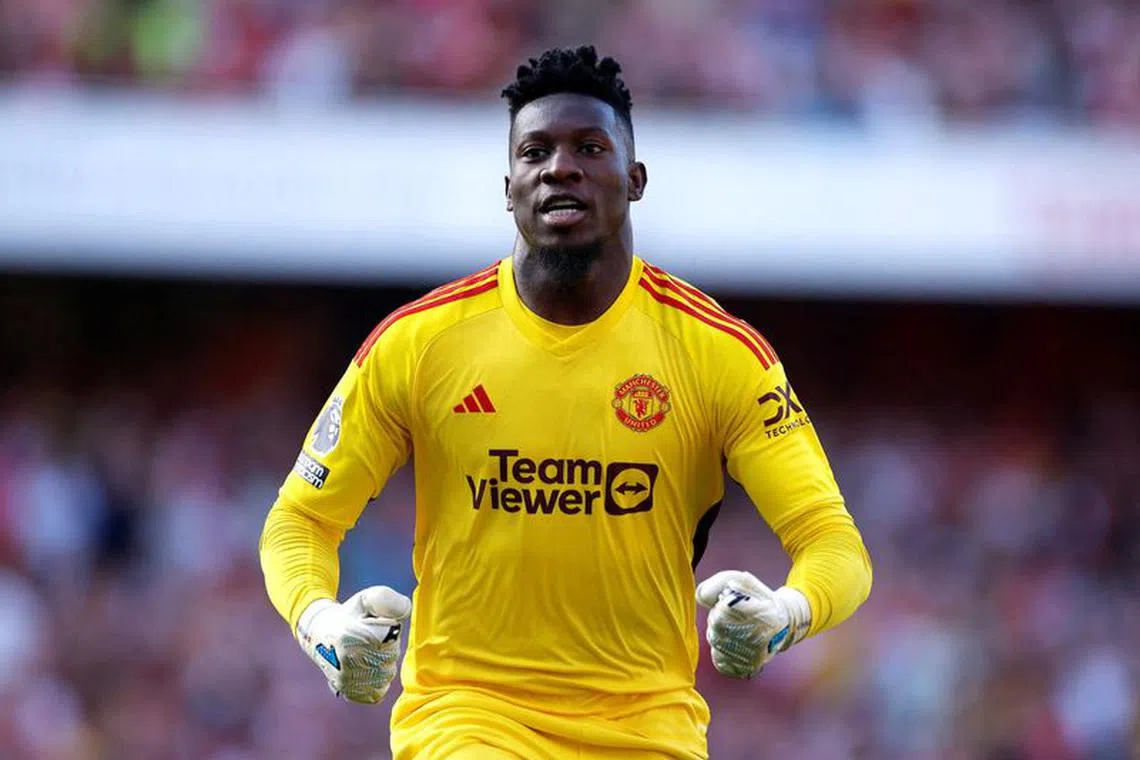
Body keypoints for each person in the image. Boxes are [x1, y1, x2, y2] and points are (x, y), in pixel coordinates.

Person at [259, 45, 873, 760]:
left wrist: (786, 614)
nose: (560, 167)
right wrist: (321, 625)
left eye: (589, 147)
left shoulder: (720, 354)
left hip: (651, 730)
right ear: (510, 185)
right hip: (467, 719)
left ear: (635, 180)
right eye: (535, 151)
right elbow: (299, 520)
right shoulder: (420, 343)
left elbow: (835, 545)